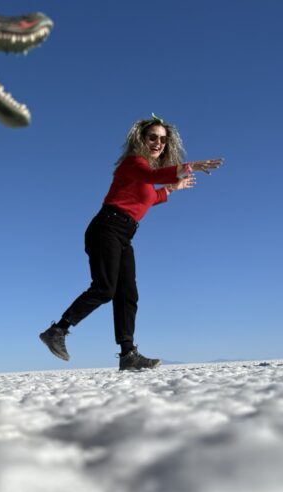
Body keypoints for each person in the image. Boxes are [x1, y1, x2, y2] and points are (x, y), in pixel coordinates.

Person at [39, 115, 222, 370]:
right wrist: (187, 166)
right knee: (105, 288)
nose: (158, 143)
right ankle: (57, 331)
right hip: (107, 227)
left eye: (163, 140)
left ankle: (128, 355)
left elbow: (148, 197)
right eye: (153, 137)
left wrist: (171, 189)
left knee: (128, 294)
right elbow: (150, 176)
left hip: (124, 233)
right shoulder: (133, 163)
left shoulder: (146, 174)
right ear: (141, 139)